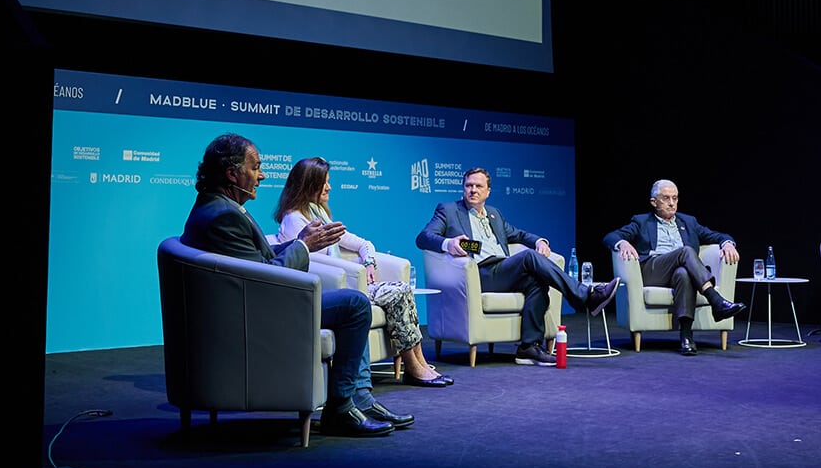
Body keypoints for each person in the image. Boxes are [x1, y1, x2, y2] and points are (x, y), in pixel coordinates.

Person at [179, 132, 412, 436]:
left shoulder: (218, 206)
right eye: (255, 168)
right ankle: (343, 407)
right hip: (257, 311)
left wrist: (299, 243)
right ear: (232, 173)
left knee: (352, 303)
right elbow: (263, 276)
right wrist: (303, 245)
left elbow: (255, 259)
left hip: (251, 304)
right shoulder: (223, 215)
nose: (262, 175)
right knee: (354, 305)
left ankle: (359, 399)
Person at [274, 156, 452, 388]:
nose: (329, 187)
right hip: (331, 289)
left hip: (350, 284)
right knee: (398, 293)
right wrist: (354, 271)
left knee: (403, 290)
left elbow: (363, 243)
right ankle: (413, 367)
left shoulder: (318, 214)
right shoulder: (294, 220)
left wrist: (369, 263)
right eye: (324, 182)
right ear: (309, 184)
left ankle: (420, 363)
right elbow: (308, 261)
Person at [415, 167, 621, 366]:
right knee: (529, 257)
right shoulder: (449, 210)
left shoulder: (494, 214)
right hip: (479, 274)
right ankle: (586, 296)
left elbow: (519, 235)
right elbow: (423, 237)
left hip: (503, 270)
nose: (473, 190)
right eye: (469, 185)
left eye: (478, 186)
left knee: (537, 282)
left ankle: (528, 347)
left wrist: (539, 241)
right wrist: (448, 243)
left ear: (488, 191)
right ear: (463, 188)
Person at [603, 179, 748, 356]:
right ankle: (715, 300)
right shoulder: (641, 221)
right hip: (653, 270)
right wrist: (623, 243)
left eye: (675, 198)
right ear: (654, 202)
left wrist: (727, 243)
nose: (672, 203)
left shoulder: (689, 222)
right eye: (666, 198)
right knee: (686, 251)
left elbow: (716, 235)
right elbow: (610, 236)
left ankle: (686, 337)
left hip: (678, 271)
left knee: (683, 273)